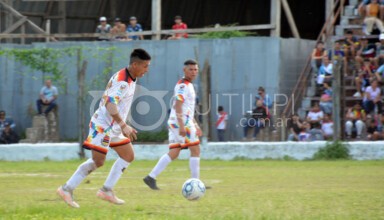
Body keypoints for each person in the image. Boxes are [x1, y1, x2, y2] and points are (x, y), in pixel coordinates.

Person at [57, 49, 151, 208]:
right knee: (98, 161)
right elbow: (110, 104)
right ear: (135, 64)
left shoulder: (129, 76)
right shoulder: (123, 81)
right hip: (103, 126)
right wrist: (123, 125)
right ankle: (66, 189)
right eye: (145, 66)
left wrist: (123, 124)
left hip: (113, 126)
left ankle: (106, 190)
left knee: (128, 155)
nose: (146, 70)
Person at [143, 60, 202, 190]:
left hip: (180, 121)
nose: (193, 72)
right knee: (195, 149)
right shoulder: (182, 86)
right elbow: (178, 105)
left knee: (174, 152)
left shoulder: (189, 85)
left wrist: (195, 125)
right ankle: (196, 183)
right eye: (190, 69)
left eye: (195, 69)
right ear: (184, 70)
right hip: (181, 122)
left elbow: (188, 109)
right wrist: (182, 125)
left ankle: (150, 177)